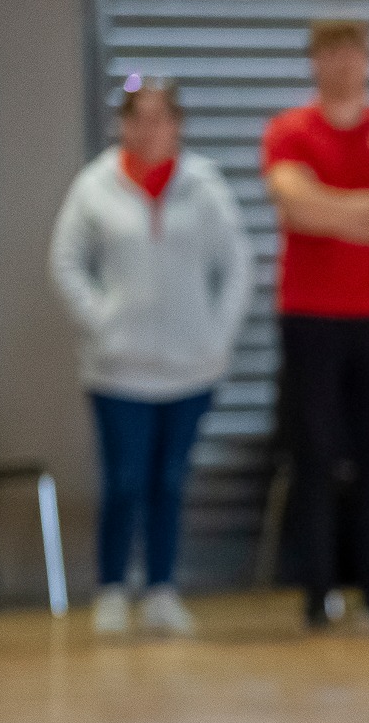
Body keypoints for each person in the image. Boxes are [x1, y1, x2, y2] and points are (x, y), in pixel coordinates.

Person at [49, 77, 250, 637]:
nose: (149, 128)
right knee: (125, 479)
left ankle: (162, 588)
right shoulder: (94, 187)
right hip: (120, 369)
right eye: (137, 117)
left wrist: (217, 335)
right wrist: (103, 321)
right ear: (123, 124)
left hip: (190, 367)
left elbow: (237, 266)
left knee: (170, 480)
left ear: (178, 124)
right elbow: (66, 264)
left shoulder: (204, 187)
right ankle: (112, 588)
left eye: (160, 117)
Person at [262, 19, 369, 629]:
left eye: (351, 52)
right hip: (309, 313)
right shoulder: (290, 131)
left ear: (366, 60)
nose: (341, 64)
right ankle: (316, 592)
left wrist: (329, 209)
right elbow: (294, 206)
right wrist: (366, 207)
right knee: (314, 453)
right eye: (329, 53)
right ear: (313, 62)